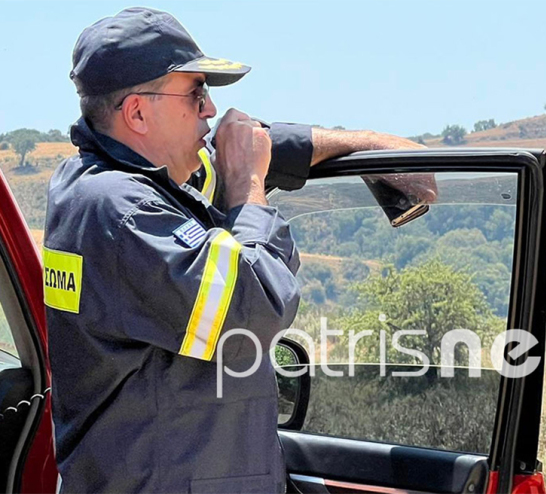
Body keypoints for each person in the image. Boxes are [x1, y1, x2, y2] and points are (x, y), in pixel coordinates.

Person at [43, 7, 426, 493]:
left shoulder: (99, 182)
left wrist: (367, 144)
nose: (209, 110)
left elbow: (230, 151)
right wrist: (247, 186)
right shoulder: (124, 214)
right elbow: (255, 307)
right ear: (138, 112)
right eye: (196, 92)